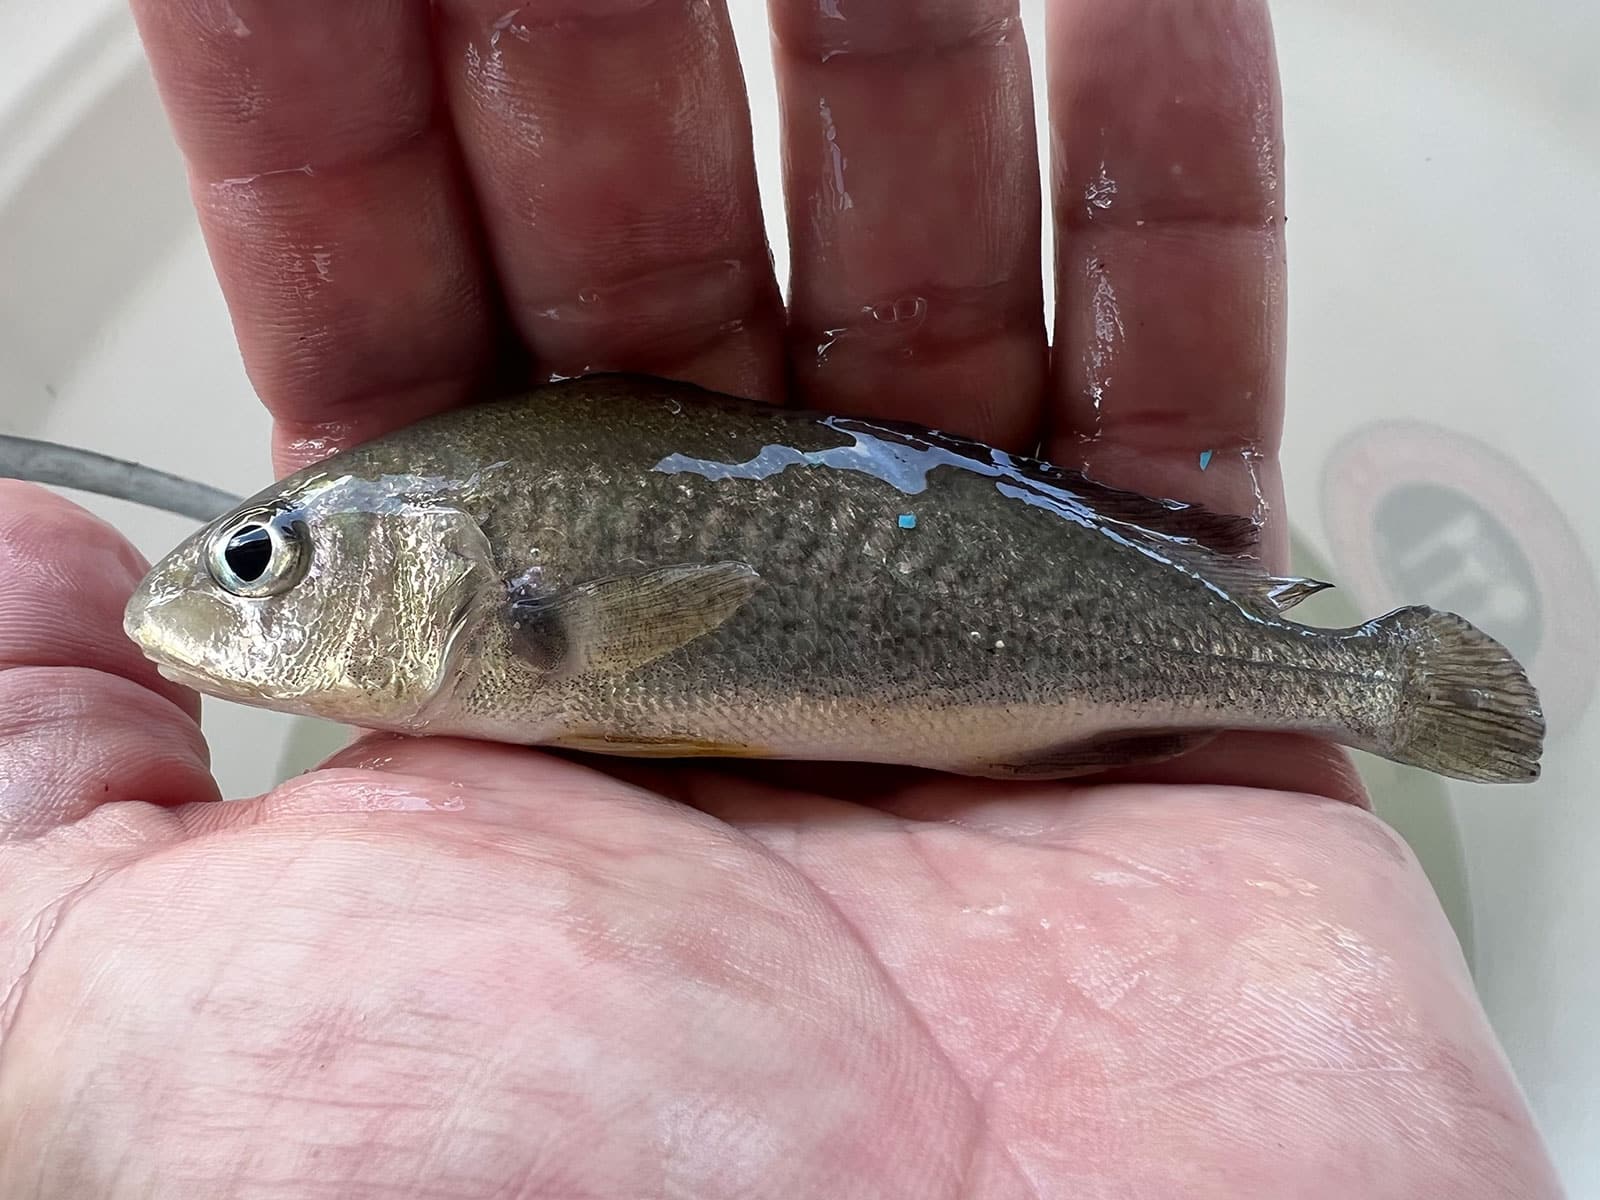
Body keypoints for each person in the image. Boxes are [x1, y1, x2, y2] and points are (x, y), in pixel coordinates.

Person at [0, 1, 1563, 1195]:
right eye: (254, 557)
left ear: (435, 570)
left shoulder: (512, 600)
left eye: (265, 558)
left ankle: (1348, 678)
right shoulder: (491, 602)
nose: (228, 584)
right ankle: (1336, 676)